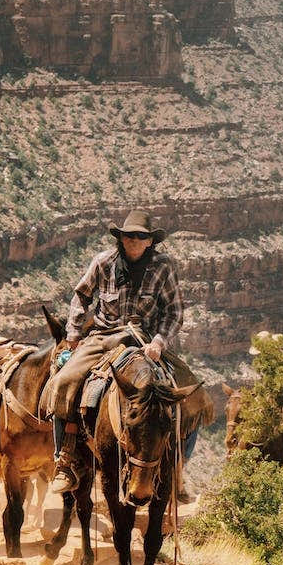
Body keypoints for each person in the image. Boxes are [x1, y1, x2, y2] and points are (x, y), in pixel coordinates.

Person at [46, 210, 184, 493]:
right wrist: (73, 335)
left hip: (144, 340)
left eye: (140, 236)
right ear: (120, 238)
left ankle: (174, 467)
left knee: (192, 399)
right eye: (128, 235)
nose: (133, 240)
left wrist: (158, 342)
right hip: (103, 337)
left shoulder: (164, 267)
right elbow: (81, 296)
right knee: (62, 383)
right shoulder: (103, 262)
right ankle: (66, 460)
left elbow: (174, 311)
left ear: (150, 241)